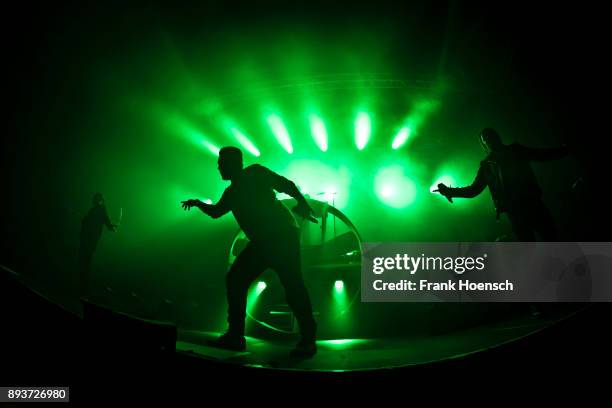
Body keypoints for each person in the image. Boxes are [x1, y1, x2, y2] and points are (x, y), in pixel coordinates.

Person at [181, 146, 318, 357]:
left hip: (280, 237)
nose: (218, 167)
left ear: (234, 163)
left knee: (290, 284)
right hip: (267, 241)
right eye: (219, 163)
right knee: (243, 279)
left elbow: (285, 185)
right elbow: (216, 212)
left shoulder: (255, 173)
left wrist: (302, 201)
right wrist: (199, 203)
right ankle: (237, 337)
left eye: (221, 162)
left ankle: (305, 339)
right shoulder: (232, 192)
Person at [434, 128, 569, 241]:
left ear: (497, 137)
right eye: (485, 138)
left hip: (532, 204)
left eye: (490, 135)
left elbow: (542, 155)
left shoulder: (515, 150)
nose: (489, 139)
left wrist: (565, 150)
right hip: (516, 211)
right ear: (484, 144)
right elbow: (473, 190)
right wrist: (450, 192)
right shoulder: (487, 165)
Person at [78, 192, 117, 299]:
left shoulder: (99, 208)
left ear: (99, 199)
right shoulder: (96, 209)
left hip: (89, 238)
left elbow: (105, 220)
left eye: (96, 198)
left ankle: (84, 288)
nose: (94, 199)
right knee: (85, 260)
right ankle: (83, 287)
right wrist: (110, 226)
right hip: (88, 238)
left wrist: (110, 226)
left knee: (85, 260)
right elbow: (105, 220)